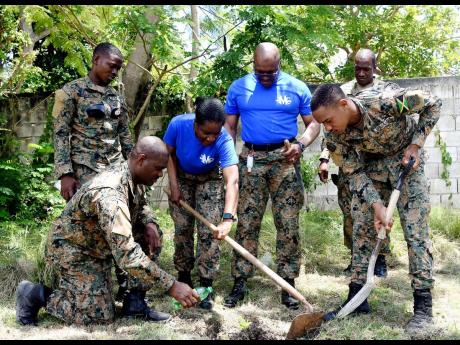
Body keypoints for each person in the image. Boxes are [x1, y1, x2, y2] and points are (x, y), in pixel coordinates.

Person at [16, 136, 200, 326]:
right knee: (97, 317)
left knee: (151, 234)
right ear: (142, 160)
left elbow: (140, 204)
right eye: (158, 169)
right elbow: (127, 254)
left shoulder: (133, 174)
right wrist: (172, 285)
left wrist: (150, 222)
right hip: (75, 251)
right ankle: (34, 294)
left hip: (100, 243)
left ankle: (135, 303)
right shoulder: (109, 193)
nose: (161, 174)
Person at [311, 84, 441, 333]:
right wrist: (377, 205)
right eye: (323, 124)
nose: (327, 128)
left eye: (328, 121)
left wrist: (416, 144)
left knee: (415, 232)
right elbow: (353, 172)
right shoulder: (334, 137)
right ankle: (357, 299)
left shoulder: (386, 102)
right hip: (372, 169)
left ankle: (423, 307)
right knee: (361, 227)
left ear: (344, 104)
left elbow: (433, 103)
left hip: (406, 164)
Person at [52, 42, 163, 317]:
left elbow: (128, 142)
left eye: (119, 67)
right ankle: (72, 289)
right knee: (95, 238)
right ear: (95, 59)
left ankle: (134, 298)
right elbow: (59, 134)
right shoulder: (70, 92)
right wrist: (65, 174)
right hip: (85, 177)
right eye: (111, 65)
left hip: (118, 174)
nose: (115, 71)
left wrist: (138, 187)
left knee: (144, 229)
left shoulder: (116, 98)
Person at [222, 42, 321, 310]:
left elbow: (314, 123)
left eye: (271, 72)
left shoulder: (296, 87)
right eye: (260, 72)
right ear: (253, 65)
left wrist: (301, 145)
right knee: (247, 223)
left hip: (284, 159)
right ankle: (240, 281)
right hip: (251, 159)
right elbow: (229, 128)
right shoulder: (238, 87)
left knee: (288, 224)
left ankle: (287, 283)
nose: (265, 77)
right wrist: (230, 161)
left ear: (279, 65)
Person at [317, 48, 400, 277]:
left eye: (366, 68)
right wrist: (324, 159)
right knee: (352, 210)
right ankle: (357, 257)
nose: (362, 73)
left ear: (375, 68)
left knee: (381, 208)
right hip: (352, 160)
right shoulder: (343, 91)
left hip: (381, 161)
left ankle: (380, 256)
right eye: (358, 68)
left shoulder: (385, 91)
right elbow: (332, 132)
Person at [164, 97, 239, 310]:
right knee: (183, 228)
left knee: (209, 232)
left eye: (215, 133)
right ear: (195, 124)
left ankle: (206, 284)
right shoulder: (178, 124)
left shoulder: (223, 139)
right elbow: (168, 154)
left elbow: (232, 179)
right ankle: (184, 278)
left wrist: (227, 219)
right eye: (205, 133)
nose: (210, 138)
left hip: (209, 179)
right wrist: (174, 184)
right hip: (181, 177)